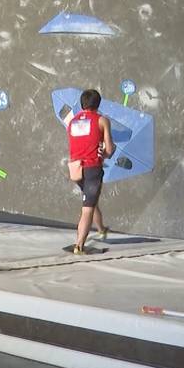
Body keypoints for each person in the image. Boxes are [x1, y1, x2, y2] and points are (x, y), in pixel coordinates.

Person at [66, 89, 114, 255]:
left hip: (75, 169)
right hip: (92, 169)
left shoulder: (72, 122)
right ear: (98, 104)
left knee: (91, 201)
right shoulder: (102, 120)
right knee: (87, 208)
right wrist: (105, 155)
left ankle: (101, 229)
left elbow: (79, 143)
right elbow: (110, 148)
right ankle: (79, 245)